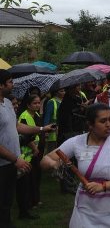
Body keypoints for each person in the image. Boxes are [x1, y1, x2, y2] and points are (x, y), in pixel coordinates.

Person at [41, 103, 110, 228]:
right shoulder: (77, 142)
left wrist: (103, 187)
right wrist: (54, 164)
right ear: (90, 125)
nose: (109, 125)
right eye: (103, 121)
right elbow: (45, 160)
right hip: (85, 209)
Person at [0, 70, 54, 228]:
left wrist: (42, 129)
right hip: (3, 163)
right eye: (9, 82)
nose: (12, 84)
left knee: (7, 200)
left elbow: (17, 126)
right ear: (1, 85)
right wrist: (15, 159)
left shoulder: (8, 103)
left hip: (12, 161)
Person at [16, 93, 44, 220]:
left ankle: (34, 201)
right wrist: (34, 148)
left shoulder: (36, 114)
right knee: (25, 182)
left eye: (39, 103)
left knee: (34, 178)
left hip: (34, 153)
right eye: (35, 103)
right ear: (28, 105)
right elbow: (24, 136)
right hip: (26, 154)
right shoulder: (24, 116)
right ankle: (26, 207)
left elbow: (36, 131)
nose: (37, 105)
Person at [43, 84, 65, 154]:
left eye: (64, 91)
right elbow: (47, 116)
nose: (64, 93)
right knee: (51, 151)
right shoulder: (51, 102)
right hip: (52, 131)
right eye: (61, 91)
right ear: (56, 92)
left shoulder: (63, 101)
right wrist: (45, 130)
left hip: (60, 130)